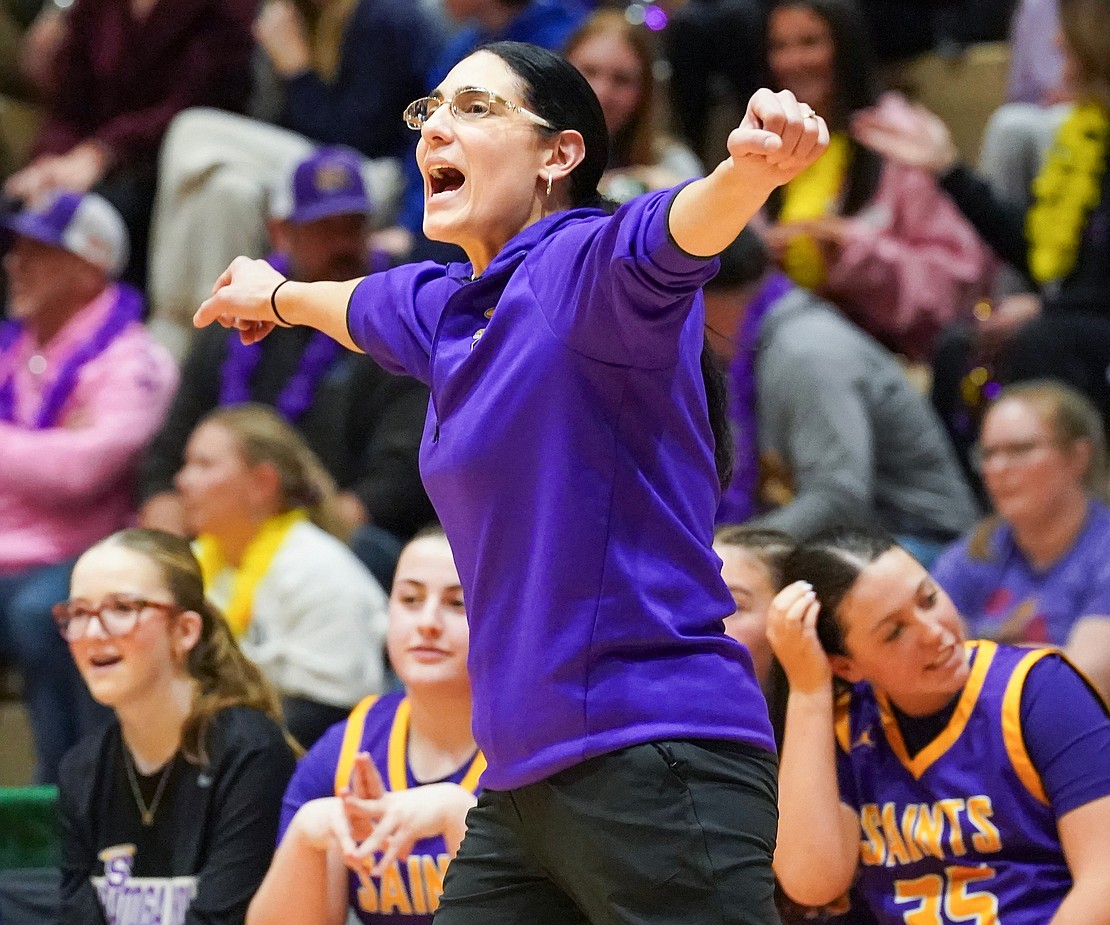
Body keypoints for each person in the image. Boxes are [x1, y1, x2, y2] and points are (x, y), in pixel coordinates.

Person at [193, 40, 829, 924]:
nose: (435, 132)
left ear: (560, 154)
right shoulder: (452, 308)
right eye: (431, 112)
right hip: (522, 784)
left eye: (476, 109)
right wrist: (273, 294)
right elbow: (358, 306)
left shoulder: (589, 270)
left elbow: (676, 230)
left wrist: (748, 172)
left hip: (654, 755)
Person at [768, 527, 1110, 923]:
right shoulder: (845, 723)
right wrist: (809, 690)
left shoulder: (1040, 690)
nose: (934, 631)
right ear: (846, 666)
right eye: (895, 631)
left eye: (928, 599)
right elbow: (811, 882)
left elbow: (1103, 880)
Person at [139, 146, 434, 573]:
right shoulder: (238, 314)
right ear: (281, 233)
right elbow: (170, 445)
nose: (341, 245)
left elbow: (403, 473)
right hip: (226, 530)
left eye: (352, 227)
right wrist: (165, 507)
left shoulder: (393, 317)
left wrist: (293, 542)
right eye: (323, 229)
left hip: (334, 536)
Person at [852, 0, 1110, 416]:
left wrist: (1046, 309)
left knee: (1039, 341)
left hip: (1086, 329)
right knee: (958, 346)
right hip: (1076, 318)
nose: (1057, 39)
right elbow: (1040, 253)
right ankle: (966, 481)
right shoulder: (1088, 133)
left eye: (1069, 29)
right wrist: (948, 170)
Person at [145, 0, 444, 355]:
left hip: (370, 178)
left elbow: (345, 141)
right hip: (302, 165)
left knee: (190, 130)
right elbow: (269, 120)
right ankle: (190, 332)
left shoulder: (384, 16)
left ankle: (164, 316)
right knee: (229, 191)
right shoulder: (286, 16)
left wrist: (298, 70)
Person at [0, 190, 177, 783]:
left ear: (87, 266)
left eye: (35, 252)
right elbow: (57, 461)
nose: (12, 264)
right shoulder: (16, 349)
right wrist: (38, 454)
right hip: (10, 552)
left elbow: (83, 472)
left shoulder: (135, 360)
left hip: (81, 552)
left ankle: (71, 789)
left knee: (42, 611)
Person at [56, 528, 297, 924]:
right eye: (78, 613)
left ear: (185, 630)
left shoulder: (249, 752)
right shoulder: (81, 769)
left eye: (122, 608)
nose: (94, 633)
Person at [247, 525, 482, 925]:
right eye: (409, 599)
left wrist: (459, 816)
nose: (427, 622)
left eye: (457, 604)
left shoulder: (538, 751)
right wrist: (307, 836)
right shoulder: (350, 745)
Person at [703, 228, 978, 562]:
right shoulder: (768, 342)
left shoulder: (805, 352)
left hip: (922, 544)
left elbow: (840, 498)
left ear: (694, 298)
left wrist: (735, 550)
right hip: (858, 539)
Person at [760, 0, 990, 361]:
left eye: (810, 43)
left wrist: (853, 252)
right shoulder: (763, 140)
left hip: (885, 352)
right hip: (779, 345)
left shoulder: (900, 139)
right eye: (780, 47)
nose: (792, 61)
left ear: (845, 47)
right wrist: (760, 255)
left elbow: (954, 286)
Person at [174, 403, 388, 749]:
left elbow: (330, 713)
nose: (182, 481)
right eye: (187, 464)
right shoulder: (192, 563)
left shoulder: (320, 572)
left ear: (262, 482)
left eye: (204, 465)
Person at [2, 0, 256, 289]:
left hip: (161, 163)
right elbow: (69, 101)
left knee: (99, 213)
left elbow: (192, 106)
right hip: (85, 157)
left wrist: (100, 153)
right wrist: (49, 162)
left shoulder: (225, 8)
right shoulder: (93, 8)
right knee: (15, 203)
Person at [932, 381, 1110, 694]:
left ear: (1079, 457)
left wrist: (971, 660)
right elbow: (926, 662)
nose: (997, 468)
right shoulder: (979, 548)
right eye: (988, 454)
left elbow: (1086, 682)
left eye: (1020, 450)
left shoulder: (1103, 547)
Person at [563, 9, 703, 204]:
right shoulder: (527, 147)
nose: (601, 93)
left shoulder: (671, 162)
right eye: (588, 71)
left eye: (622, 80)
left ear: (645, 92)